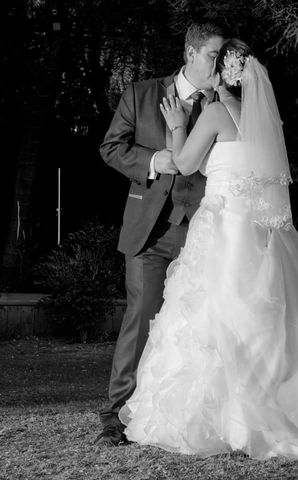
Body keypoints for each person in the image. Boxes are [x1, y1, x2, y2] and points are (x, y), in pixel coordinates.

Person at [118, 38, 298, 461]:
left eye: (218, 65)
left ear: (225, 75)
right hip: (254, 232)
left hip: (219, 231)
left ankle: (223, 422)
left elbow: (186, 162)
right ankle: (284, 417)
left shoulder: (214, 112)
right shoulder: (262, 123)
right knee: (261, 326)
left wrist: (177, 123)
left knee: (214, 323)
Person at [96, 21, 225, 446]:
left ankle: (194, 415)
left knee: (200, 324)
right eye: (213, 55)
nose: (220, 64)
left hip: (205, 230)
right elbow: (111, 147)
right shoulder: (142, 93)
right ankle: (117, 414)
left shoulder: (228, 102)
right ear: (190, 53)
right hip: (149, 232)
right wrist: (158, 161)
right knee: (142, 315)